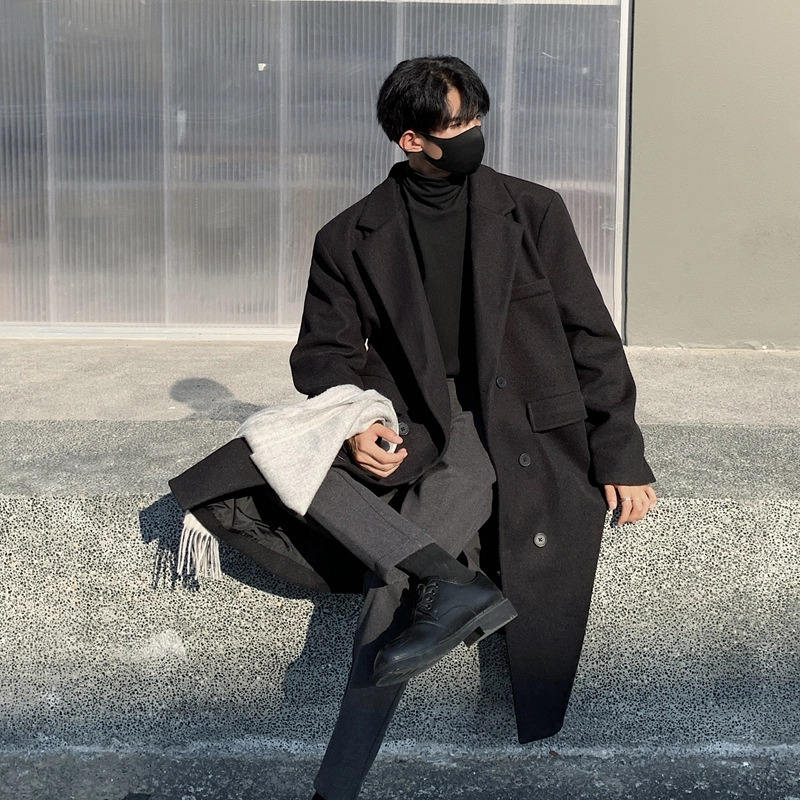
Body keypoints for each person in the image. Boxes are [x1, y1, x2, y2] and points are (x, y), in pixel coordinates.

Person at [170, 55, 656, 800]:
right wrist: (357, 422)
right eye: (457, 124)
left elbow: (591, 335)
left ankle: (336, 784)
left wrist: (620, 451)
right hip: (416, 423)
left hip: (519, 426)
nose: (474, 134)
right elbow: (322, 355)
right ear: (411, 140)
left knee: (391, 587)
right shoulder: (349, 235)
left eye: (476, 118)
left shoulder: (533, 210)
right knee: (260, 452)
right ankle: (448, 579)